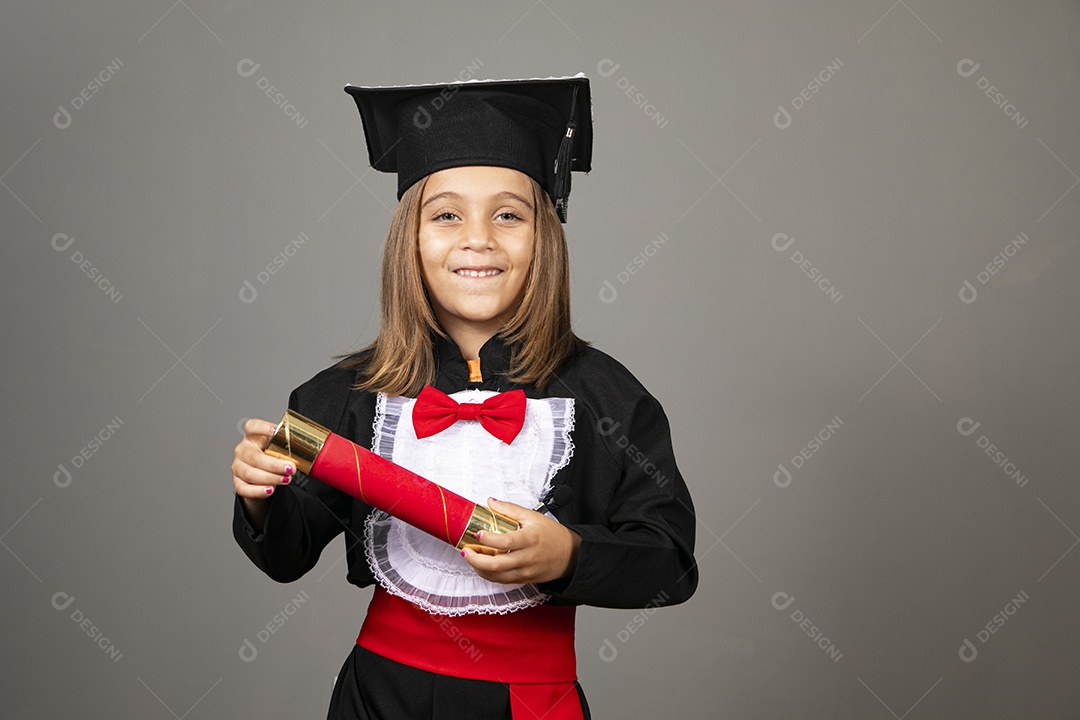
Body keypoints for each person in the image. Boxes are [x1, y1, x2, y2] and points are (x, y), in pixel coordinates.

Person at [231, 75, 698, 720]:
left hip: (527, 701)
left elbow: (669, 563)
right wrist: (260, 497)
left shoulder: (605, 397)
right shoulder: (348, 393)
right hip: (378, 697)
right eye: (446, 214)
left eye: (508, 214)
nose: (478, 238)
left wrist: (568, 554)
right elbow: (285, 556)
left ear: (545, 238)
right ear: (410, 240)